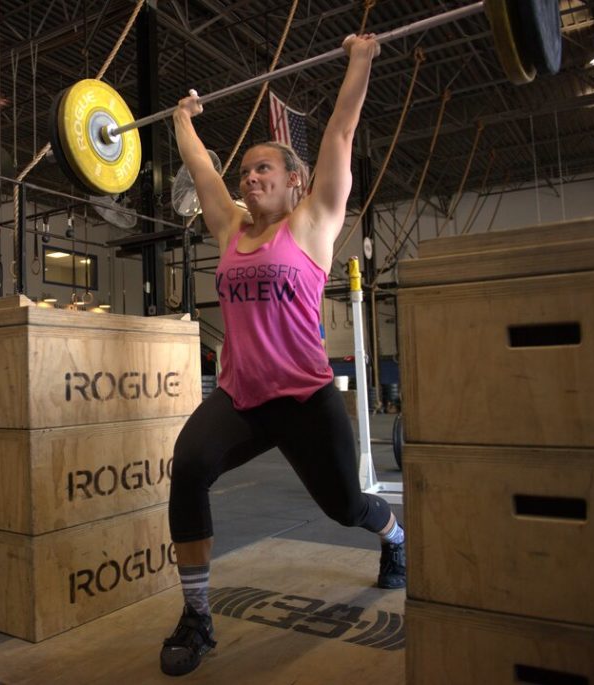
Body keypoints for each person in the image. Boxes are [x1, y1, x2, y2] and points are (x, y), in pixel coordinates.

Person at [161, 33, 404, 677]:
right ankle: (198, 617)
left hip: (304, 399)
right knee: (189, 466)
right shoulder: (229, 227)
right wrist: (183, 120)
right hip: (241, 398)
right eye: (245, 172)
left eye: (262, 169)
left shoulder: (313, 223)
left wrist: (360, 61)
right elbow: (201, 168)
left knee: (345, 507)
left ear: (294, 180)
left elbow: (341, 133)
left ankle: (393, 536)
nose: (249, 177)